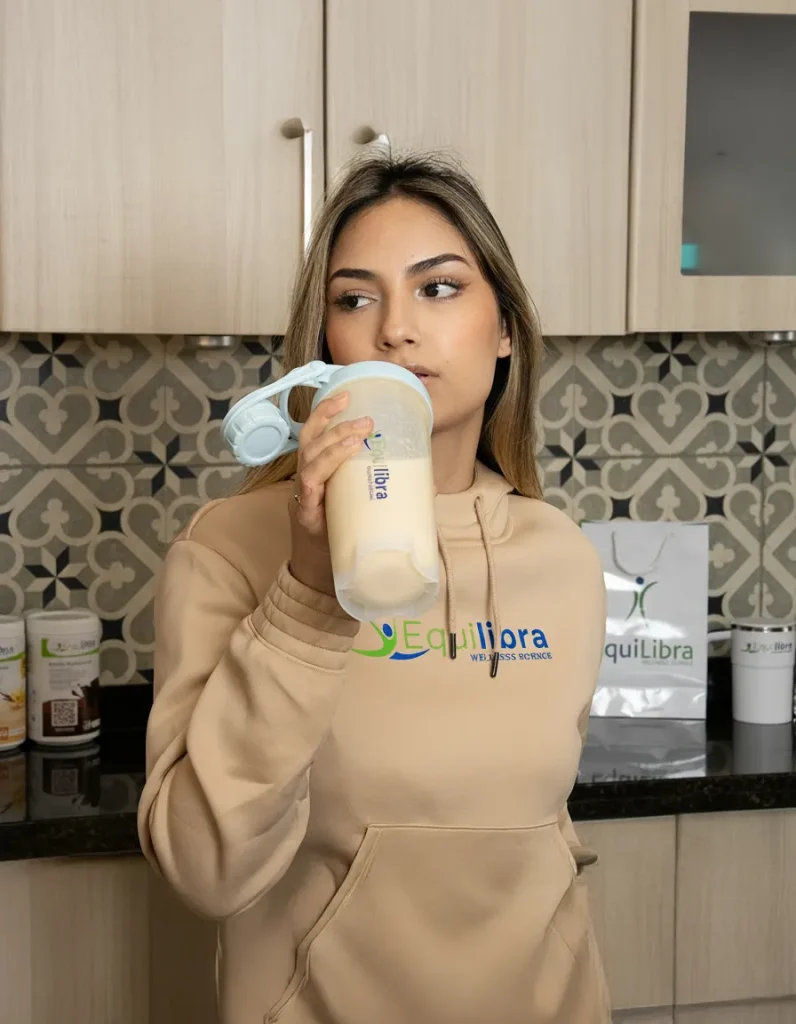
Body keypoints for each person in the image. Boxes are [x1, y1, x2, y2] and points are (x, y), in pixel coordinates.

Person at [138, 151, 610, 1024]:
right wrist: (308, 596)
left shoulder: (566, 560)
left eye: (439, 288)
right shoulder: (228, 550)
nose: (396, 330)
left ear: (506, 329)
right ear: (327, 348)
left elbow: (542, 837)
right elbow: (205, 871)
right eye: (356, 300)